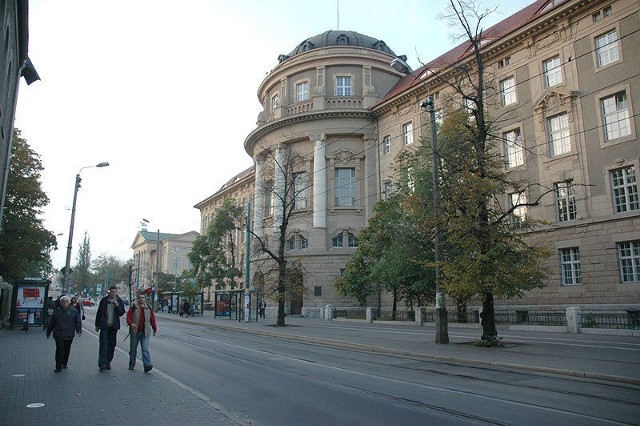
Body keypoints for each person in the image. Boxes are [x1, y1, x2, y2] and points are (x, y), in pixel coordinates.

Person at [46, 295, 82, 372]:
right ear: (60, 302)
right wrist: (49, 331)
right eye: (63, 301)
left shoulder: (74, 311)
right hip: (58, 334)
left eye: (66, 301)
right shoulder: (57, 311)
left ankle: (64, 363)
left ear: (69, 302)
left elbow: (77, 322)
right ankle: (58, 367)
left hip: (69, 334)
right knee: (59, 350)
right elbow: (52, 322)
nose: (64, 303)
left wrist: (79, 330)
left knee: (67, 349)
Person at [95, 285, 125, 371]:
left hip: (114, 327)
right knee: (104, 344)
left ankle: (108, 362)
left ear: (116, 292)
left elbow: (121, 313)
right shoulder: (104, 300)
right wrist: (97, 324)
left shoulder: (119, 301)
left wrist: (117, 305)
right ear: (109, 292)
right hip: (105, 326)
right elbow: (99, 313)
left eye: (115, 292)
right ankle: (102, 364)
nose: (113, 293)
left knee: (111, 345)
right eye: (112, 291)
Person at [126, 292, 157, 373]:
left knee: (145, 349)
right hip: (135, 332)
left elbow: (152, 319)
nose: (141, 299)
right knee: (133, 349)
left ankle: (147, 365)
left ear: (145, 299)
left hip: (145, 332)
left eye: (143, 297)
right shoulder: (134, 307)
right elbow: (128, 317)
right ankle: (132, 365)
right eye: (140, 297)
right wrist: (131, 323)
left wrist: (155, 329)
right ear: (138, 299)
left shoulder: (148, 307)